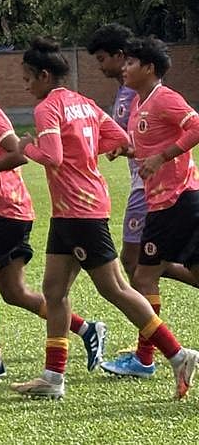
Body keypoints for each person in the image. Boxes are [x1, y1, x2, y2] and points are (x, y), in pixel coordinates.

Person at [11, 37, 197, 399]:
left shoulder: (48, 107)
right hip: (69, 211)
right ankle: (53, 377)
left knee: (116, 288)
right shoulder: (84, 103)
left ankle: (178, 355)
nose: (26, 86)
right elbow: (120, 139)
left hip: (80, 210)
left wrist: (26, 147)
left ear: (45, 76)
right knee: (54, 290)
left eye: (28, 79)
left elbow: (52, 157)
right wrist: (83, 149)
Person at [0, 50, 105, 380]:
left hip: (2, 212)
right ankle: (86, 329)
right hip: (9, 211)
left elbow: (18, 154)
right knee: (14, 293)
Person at [101, 37, 199, 379]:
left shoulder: (164, 98)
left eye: (131, 63)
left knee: (143, 278)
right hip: (169, 201)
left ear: (149, 68)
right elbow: (149, 144)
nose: (124, 68)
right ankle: (147, 356)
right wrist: (127, 151)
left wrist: (163, 157)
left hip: (175, 200)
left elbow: (196, 126)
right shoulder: (140, 103)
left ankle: (145, 358)